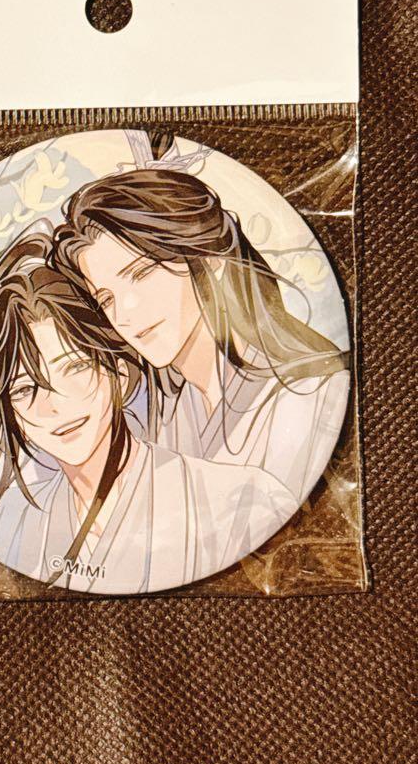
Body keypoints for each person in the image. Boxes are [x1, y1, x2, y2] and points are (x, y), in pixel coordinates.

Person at [0, 229, 297, 594]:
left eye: (75, 369)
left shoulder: (241, 502)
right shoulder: (5, 525)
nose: (55, 405)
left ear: (118, 372)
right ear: (7, 410)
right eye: (24, 389)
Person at [52, 147, 350, 502]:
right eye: (106, 299)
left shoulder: (311, 395)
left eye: (142, 273)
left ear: (211, 258)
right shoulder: (162, 423)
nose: (124, 313)